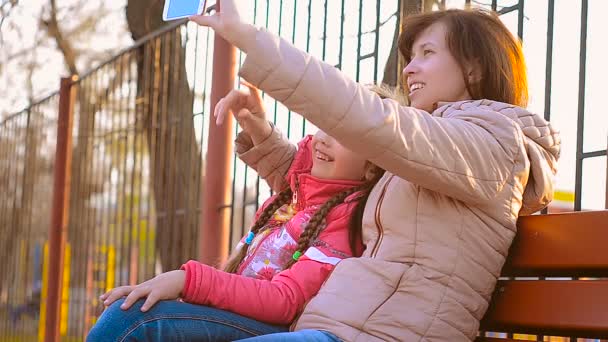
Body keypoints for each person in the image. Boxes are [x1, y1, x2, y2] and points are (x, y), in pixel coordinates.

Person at [187, 3, 561, 342]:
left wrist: (249, 37)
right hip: (338, 324)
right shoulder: (436, 154)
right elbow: (337, 185)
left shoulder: (493, 144)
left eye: (428, 53)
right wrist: (264, 136)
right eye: (411, 56)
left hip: (377, 333)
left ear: (475, 67)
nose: (410, 67)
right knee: (134, 318)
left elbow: (371, 121)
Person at [86, 83, 390, 342]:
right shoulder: (292, 199)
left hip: (274, 328)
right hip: (242, 318)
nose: (324, 137)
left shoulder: (346, 219)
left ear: (372, 165)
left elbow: (285, 301)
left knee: (132, 321)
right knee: (130, 308)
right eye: (326, 123)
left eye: (344, 134)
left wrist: (186, 281)